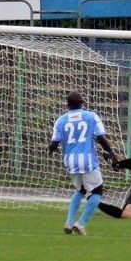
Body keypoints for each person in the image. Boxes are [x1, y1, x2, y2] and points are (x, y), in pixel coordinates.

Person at [49, 90, 117, 236]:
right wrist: (110, 153)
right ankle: (80, 224)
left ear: (67, 105)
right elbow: (101, 138)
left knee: (80, 190)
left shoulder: (61, 120)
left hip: (70, 162)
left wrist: (50, 150)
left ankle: (68, 222)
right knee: (97, 191)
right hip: (87, 161)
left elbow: (54, 143)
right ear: (82, 103)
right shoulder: (91, 116)